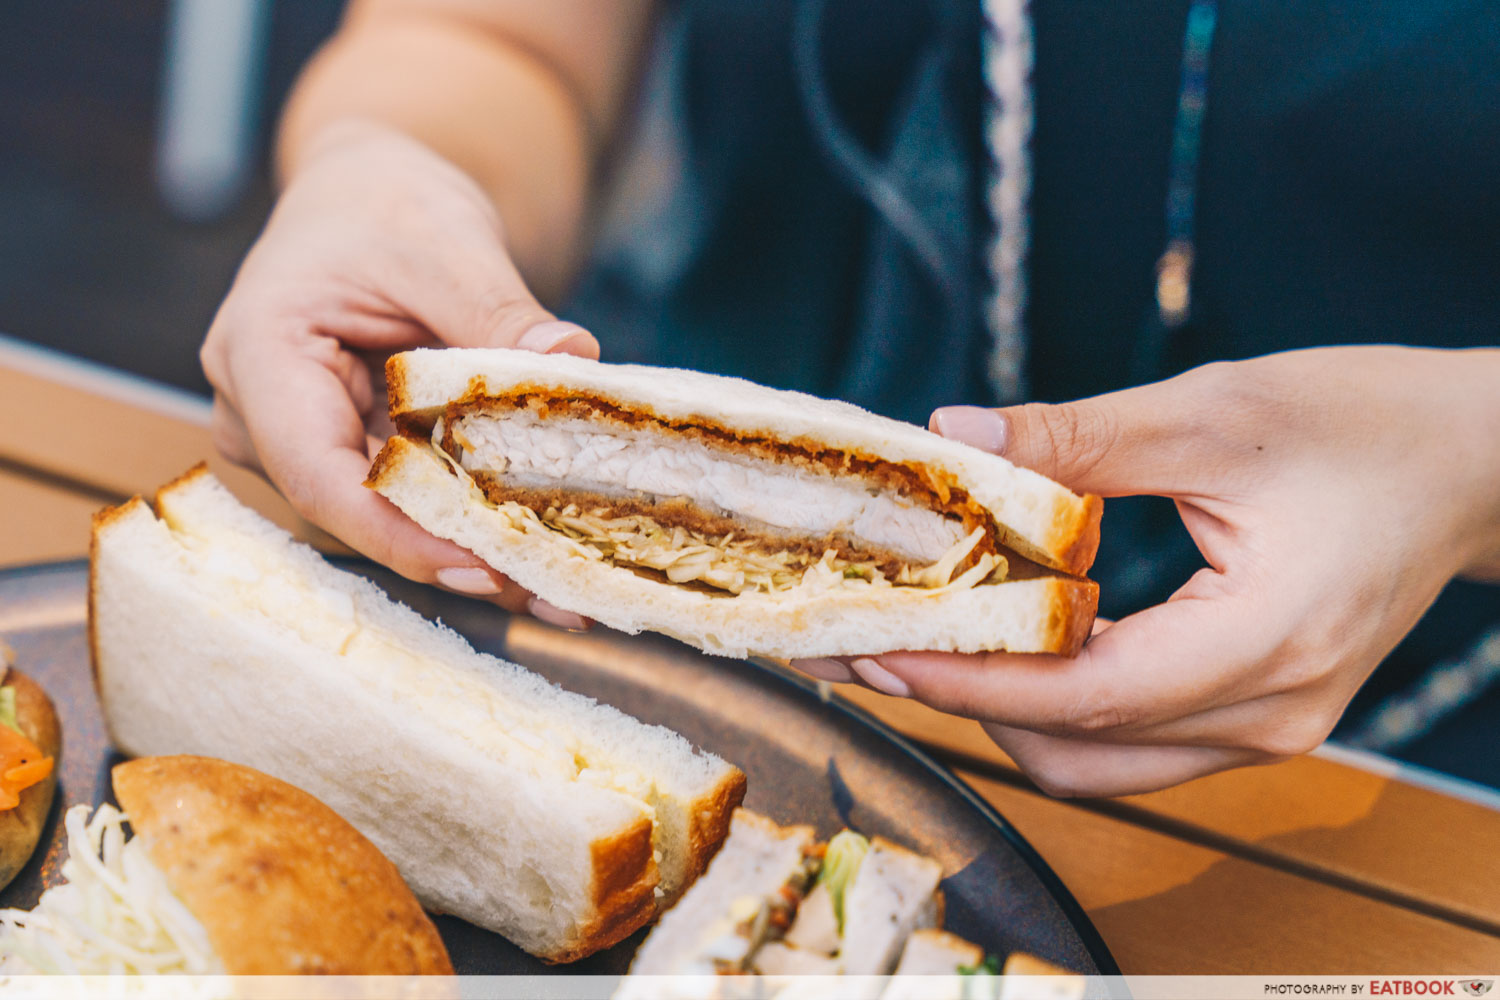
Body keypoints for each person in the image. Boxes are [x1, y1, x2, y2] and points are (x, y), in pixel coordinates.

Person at [201, 0, 1500, 797]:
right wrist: (383, 161)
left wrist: (1467, 466)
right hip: (672, 675)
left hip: (1421, 786)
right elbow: (494, 37)